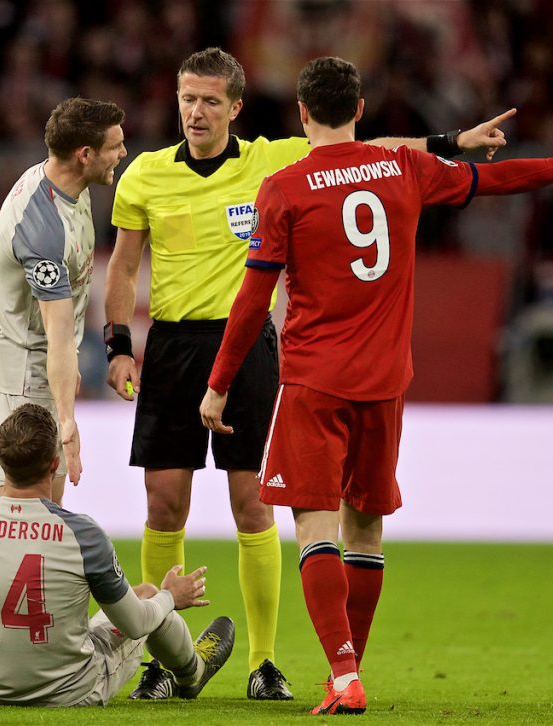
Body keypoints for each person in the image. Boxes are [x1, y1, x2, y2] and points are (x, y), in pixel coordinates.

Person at [199, 56, 553, 715]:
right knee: (366, 532)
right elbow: (499, 180)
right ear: (361, 110)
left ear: (300, 113)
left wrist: (218, 385)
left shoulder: (284, 189)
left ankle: (343, 672)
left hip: (315, 381)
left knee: (314, 528)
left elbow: (251, 301)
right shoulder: (403, 169)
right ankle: (350, 672)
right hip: (384, 385)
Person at [103, 46, 516, 700]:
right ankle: (162, 655)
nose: (197, 111)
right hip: (174, 349)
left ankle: (261, 664)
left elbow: (364, 145)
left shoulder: (272, 159)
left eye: (211, 100)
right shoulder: (144, 176)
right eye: (188, 98)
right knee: (164, 502)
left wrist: (448, 141)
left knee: (251, 505)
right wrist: (119, 343)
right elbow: (124, 268)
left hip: (249, 348)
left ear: (235, 108)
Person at [0, 403, 236, 707]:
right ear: (55, 463)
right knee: (149, 596)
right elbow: (137, 623)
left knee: (136, 599)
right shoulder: (83, 536)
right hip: (71, 690)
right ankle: (192, 671)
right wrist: (170, 596)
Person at [0, 97, 127, 504]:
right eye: (114, 147)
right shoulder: (43, 230)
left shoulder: (69, 186)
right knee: (24, 517)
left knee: (44, 518)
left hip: (40, 363)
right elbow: (57, 333)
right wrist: (67, 421)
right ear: (85, 154)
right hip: (19, 372)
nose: (122, 154)